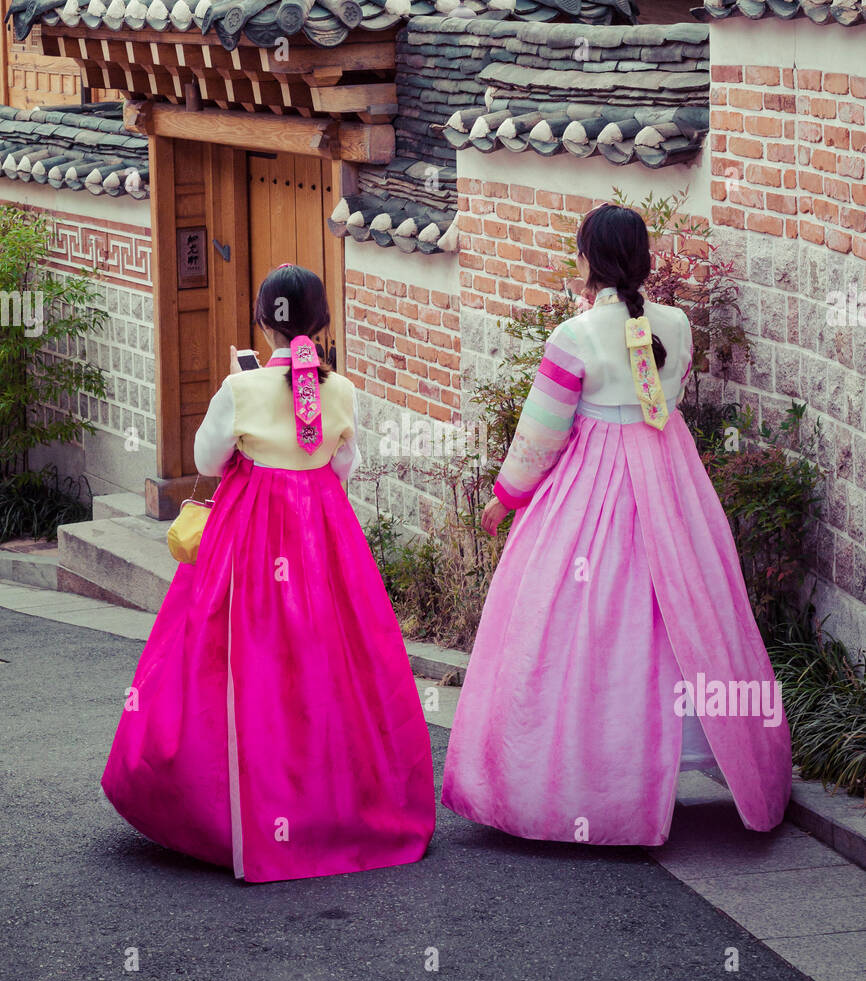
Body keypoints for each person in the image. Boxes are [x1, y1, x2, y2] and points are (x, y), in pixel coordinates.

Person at [441, 203, 792, 846]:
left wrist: (506, 496)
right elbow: (671, 393)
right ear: (643, 258)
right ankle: (708, 752)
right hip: (670, 474)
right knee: (682, 602)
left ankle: (581, 776)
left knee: (581, 612)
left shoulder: (573, 337)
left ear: (587, 259)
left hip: (592, 481)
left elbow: (542, 433)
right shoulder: (679, 326)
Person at [102, 265, 435, 882]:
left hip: (252, 532)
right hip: (322, 532)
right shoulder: (342, 391)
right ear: (322, 321)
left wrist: (246, 394)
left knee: (241, 656)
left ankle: (236, 815)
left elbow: (207, 457)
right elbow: (344, 468)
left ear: (262, 321)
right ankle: (338, 806)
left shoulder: (240, 388)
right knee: (332, 654)